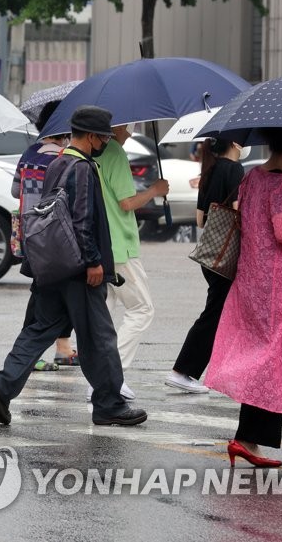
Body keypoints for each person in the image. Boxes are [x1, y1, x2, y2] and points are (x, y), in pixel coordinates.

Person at [0, 106, 148, 428]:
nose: (105, 142)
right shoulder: (82, 167)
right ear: (90, 136)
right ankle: (109, 404)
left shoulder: (57, 163)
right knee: (99, 337)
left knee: (38, 329)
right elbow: (82, 219)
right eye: (102, 137)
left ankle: (1, 387)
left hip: (50, 263)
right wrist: (94, 261)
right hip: (77, 268)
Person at [205, 128, 282, 468]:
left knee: (281, 356)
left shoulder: (252, 178)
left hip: (251, 283)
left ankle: (268, 436)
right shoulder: (281, 185)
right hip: (273, 287)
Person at [91, 123, 169, 400]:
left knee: (105, 314)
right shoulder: (114, 153)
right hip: (119, 246)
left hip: (99, 244)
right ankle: (113, 375)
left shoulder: (94, 152)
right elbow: (126, 202)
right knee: (142, 309)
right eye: (130, 126)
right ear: (120, 126)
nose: (132, 131)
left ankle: (100, 378)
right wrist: (155, 190)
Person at [166, 138, 245, 393]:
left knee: (222, 313)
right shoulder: (234, 169)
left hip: (211, 254)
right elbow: (239, 211)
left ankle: (224, 370)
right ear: (235, 143)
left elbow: (200, 220)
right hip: (227, 256)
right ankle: (182, 370)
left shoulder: (209, 170)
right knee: (214, 314)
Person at [12, 100, 77, 370]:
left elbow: (16, 192)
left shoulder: (29, 154)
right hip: (52, 236)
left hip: (31, 233)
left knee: (55, 291)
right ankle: (29, 354)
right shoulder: (61, 158)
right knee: (45, 292)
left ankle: (62, 347)